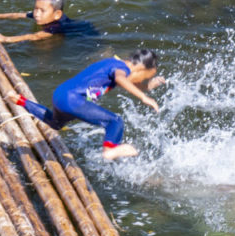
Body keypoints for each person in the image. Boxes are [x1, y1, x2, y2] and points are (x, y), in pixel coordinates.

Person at [9, 49, 165, 160]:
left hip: (61, 94)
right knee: (115, 121)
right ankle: (110, 150)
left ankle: (21, 100)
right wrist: (144, 97)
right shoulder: (121, 69)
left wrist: (148, 86)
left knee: (54, 123)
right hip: (73, 99)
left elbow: (129, 81)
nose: (142, 80)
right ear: (141, 68)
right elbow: (121, 79)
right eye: (146, 77)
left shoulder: (113, 64)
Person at [0, 0, 95, 43]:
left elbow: (35, 36)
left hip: (84, 34)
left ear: (57, 14)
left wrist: (6, 39)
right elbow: (20, 15)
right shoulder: (41, 15)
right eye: (36, 9)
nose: (37, 14)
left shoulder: (56, 26)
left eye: (42, 10)